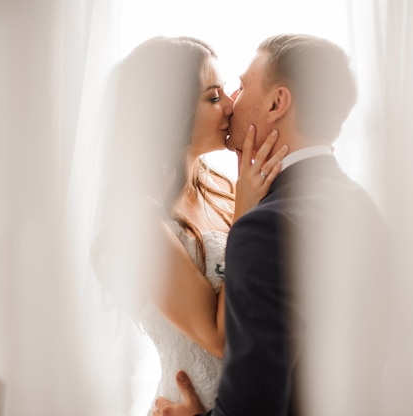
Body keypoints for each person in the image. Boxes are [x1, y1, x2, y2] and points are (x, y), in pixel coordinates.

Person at [153, 34, 393, 416]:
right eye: (216, 95)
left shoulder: (263, 226)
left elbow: (254, 404)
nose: (232, 101)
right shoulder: (362, 205)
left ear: (277, 102)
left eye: (243, 85)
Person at [92, 36, 287, 415]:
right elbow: (219, 338)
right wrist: (246, 214)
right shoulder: (136, 221)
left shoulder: (226, 189)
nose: (231, 106)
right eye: (213, 98)